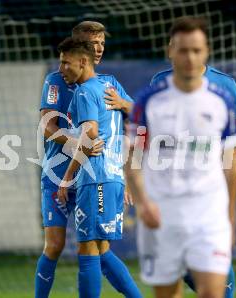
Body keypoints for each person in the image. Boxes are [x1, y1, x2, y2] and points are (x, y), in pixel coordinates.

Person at [125, 16, 236, 298]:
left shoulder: (221, 101)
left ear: (206, 52)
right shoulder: (148, 102)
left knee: (213, 294)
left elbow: (229, 166)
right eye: (183, 50)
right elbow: (133, 157)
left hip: (208, 216)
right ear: (170, 51)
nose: (190, 57)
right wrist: (142, 203)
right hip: (162, 215)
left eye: (196, 50)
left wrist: (229, 218)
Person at [35, 21, 138, 298]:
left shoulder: (106, 84)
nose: (100, 48)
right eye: (95, 42)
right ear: (80, 46)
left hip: (92, 174)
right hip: (59, 173)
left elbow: (134, 115)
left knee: (97, 249)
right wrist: (79, 144)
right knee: (55, 246)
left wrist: (123, 103)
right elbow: (47, 125)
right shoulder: (57, 80)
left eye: (103, 42)